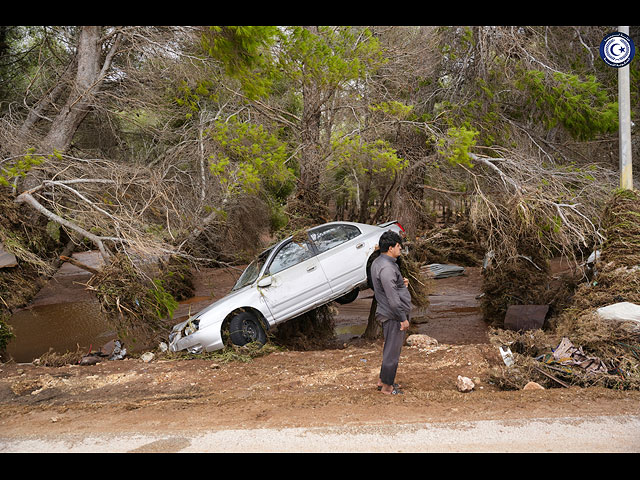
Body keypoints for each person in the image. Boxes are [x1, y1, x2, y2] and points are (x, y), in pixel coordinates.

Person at [370, 230, 411, 395]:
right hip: (393, 315)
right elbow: (393, 299)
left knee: (389, 349)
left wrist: (402, 284)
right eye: (398, 245)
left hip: (388, 312)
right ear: (390, 248)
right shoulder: (387, 268)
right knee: (393, 352)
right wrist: (403, 318)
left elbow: (387, 287)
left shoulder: (379, 262)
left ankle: (383, 380)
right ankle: (387, 388)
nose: (400, 248)